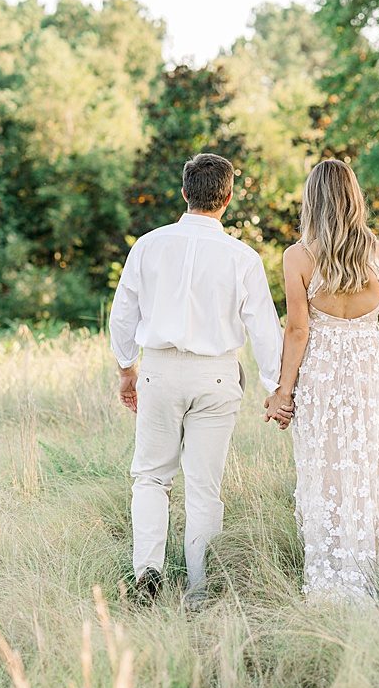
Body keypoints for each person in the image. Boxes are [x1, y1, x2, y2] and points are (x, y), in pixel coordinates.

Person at [108, 153, 283, 606]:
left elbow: (122, 313)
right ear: (227, 199)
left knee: (150, 478)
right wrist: (275, 389)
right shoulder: (243, 257)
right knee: (204, 487)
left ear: (184, 192)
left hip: (159, 370)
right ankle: (200, 591)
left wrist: (127, 369)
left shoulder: (147, 245)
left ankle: (148, 576)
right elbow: (265, 329)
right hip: (218, 376)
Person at [263, 159, 379, 603]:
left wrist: (283, 392)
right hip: (370, 374)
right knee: (367, 470)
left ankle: (328, 583)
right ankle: (365, 576)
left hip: (323, 375)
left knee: (323, 473)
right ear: (354, 198)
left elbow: (298, 330)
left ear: (313, 201)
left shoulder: (299, 256)